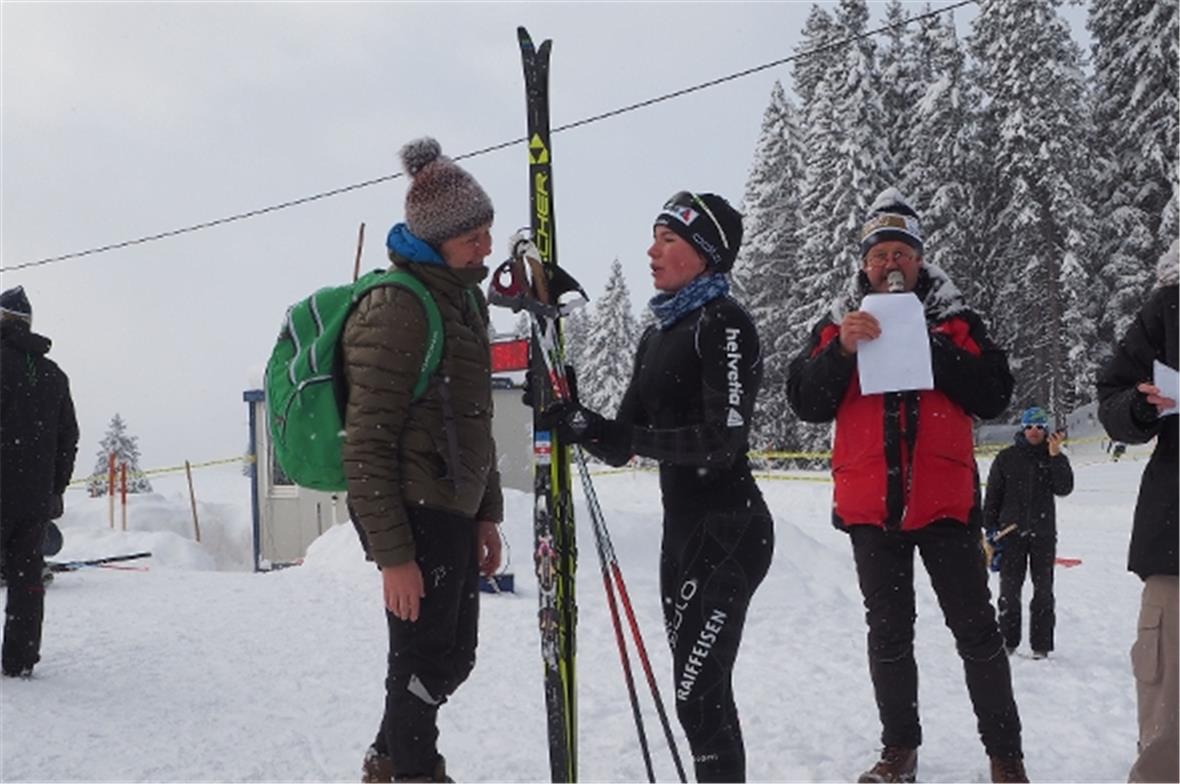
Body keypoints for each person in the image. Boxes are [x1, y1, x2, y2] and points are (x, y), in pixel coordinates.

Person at [786, 188, 1027, 783]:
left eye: (902, 253)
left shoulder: (957, 322)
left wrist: (933, 345)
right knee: (889, 637)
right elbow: (806, 401)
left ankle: (1006, 756)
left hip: (945, 507)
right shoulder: (838, 322)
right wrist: (842, 350)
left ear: (920, 261)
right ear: (864, 264)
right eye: (879, 255)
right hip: (872, 510)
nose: (890, 264)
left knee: (977, 634)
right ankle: (900, 750)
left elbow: (996, 392)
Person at [538, 190, 773, 782]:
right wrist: (576, 415)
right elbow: (623, 441)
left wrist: (629, 437)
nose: (652, 250)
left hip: (728, 529)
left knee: (699, 695)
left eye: (669, 239)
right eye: (654, 236)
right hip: (685, 531)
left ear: (705, 254)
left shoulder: (723, 323)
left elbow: (723, 442)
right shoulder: (657, 332)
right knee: (701, 695)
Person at [343, 138, 503, 784]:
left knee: (450, 658)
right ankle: (413, 771)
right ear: (438, 238)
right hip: (414, 513)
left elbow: (472, 422)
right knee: (418, 663)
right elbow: (366, 441)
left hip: (453, 512)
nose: (487, 247)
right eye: (475, 236)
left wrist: (484, 516)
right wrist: (394, 556)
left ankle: (387, 762)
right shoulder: (400, 305)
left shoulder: (462, 301)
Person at [1096, 239, 1178, 784]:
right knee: (1168, 731)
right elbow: (1113, 398)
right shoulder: (1170, 307)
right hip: (1177, 544)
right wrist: (1140, 405)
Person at [0, 286, 79, 678]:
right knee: (26, 579)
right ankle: (20, 659)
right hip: (33, 500)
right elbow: (69, 437)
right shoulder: (53, 375)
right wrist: (55, 490)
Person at [983, 405, 1074, 659]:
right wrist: (989, 529)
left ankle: (1041, 646)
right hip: (1009, 536)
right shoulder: (1006, 458)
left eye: (1039, 427)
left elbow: (1064, 488)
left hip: (1043, 536)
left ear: (1046, 430)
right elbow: (992, 497)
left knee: (1043, 591)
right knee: (1009, 592)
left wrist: (1055, 456)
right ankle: (1007, 642)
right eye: (1029, 427)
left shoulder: (1053, 455)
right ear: (1022, 429)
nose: (1034, 431)